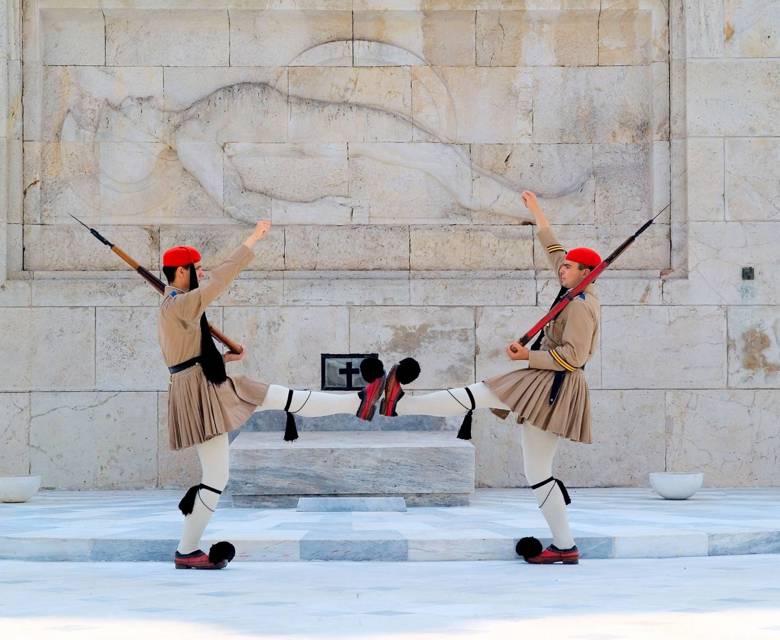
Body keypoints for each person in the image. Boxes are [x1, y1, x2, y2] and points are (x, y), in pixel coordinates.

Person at [380, 191, 601, 565]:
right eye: (563, 266)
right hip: (545, 381)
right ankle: (565, 547)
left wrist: (526, 355)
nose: (561, 269)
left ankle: (399, 404)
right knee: (536, 470)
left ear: (585, 273)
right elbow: (554, 250)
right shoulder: (571, 287)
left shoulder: (580, 306)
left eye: (569, 267)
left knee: (482, 395)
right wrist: (537, 212)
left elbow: (574, 357)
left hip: (554, 385)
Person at [159, 220, 386, 569]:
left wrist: (224, 358)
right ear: (180, 272)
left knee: (278, 395)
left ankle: (357, 400)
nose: (201, 273)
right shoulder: (178, 305)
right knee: (216, 477)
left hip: (208, 382)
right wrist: (252, 240)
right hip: (199, 395)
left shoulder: (179, 305)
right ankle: (187, 550)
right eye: (196, 268)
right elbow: (219, 281)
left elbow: (186, 355)